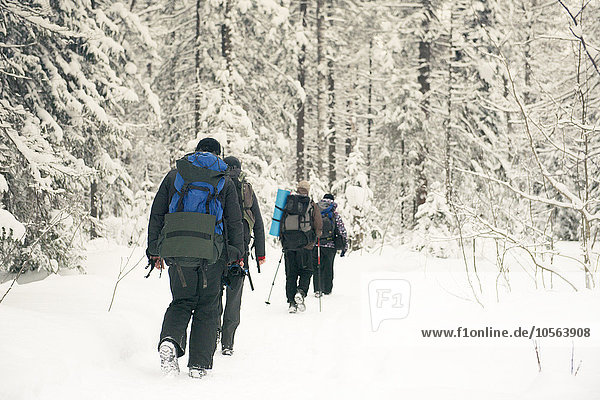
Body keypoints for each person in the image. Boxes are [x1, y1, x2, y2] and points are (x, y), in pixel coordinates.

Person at [146, 137, 244, 379]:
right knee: (208, 306)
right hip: (212, 254)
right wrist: (235, 256)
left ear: (196, 151)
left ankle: (169, 340)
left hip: (177, 250)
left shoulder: (174, 175)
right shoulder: (225, 180)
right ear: (218, 155)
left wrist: (153, 250)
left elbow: (157, 213)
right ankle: (198, 365)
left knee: (181, 301)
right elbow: (234, 221)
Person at [217, 156, 266, 356]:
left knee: (214, 294)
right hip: (240, 253)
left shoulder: (218, 184)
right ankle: (228, 343)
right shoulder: (246, 189)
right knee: (234, 298)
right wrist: (260, 253)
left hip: (217, 250)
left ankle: (213, 332)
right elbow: (259, 224)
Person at [280, 180, 322, 313]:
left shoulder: (288, 202)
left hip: (289, 245)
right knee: (306, 271)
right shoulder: (311, 204)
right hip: (305, 246)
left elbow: (280, 221)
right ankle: (301, 292)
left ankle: (291, 303)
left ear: (297, 189)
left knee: (290, 275)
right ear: (308, 190)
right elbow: (318, 224)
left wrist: (284, 241)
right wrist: (316, 237)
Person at [313, 193, 348, 297]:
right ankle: (327, 289)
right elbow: (342, 230)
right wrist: (344, 246)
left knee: (317, 267)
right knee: (328, 267)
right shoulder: (334, 214)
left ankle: (317, 289)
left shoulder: (315, 211)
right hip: (330, 245)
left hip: (317, 244)